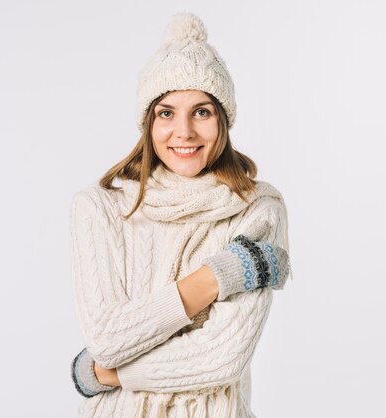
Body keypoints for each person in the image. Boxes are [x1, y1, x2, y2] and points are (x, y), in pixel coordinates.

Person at [69, 11, 293, 418]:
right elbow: (107, 339)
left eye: (202, 111)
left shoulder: (259, 209)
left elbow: (221, 359)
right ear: (148, 122)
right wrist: (218, 275)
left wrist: (108, 374)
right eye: (167, 112)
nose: (184, 132)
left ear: (223, 119)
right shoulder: (99, 208)